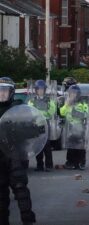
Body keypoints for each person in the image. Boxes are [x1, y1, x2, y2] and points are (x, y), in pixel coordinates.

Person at [0, 77, 36, 225]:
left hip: (14, 154)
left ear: (11, 92)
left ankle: (27, 220)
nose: (2, 94)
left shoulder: (19, 108)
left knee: (20, 189)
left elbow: (30, 128)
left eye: (5, 91)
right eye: (0, 91)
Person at [28, 80, 56, 172]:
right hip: (36, 124)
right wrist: (39, 113)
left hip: (45, 123)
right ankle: (39, 165)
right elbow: (31, 111)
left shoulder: (49, 100)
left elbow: (52, 111)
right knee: (37, 145)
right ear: (36, 90)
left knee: (47, 145)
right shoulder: (32, 101)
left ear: (44, 90)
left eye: (42, 89)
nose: (40, 91)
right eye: (38, 89)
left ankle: (49, 165)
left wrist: (45, 109)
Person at [60, 85, 89, 170]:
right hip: (70, 128)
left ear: (78, 94)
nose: (73, 95)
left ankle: (81, 162)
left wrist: (79, 114)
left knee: (80, 146)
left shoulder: (82, 104)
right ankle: (70, 162)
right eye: (72, 93)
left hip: (80, 128)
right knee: (71, 146)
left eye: (75, 94)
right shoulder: (67, 103)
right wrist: (67, 104)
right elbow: (62, 112)